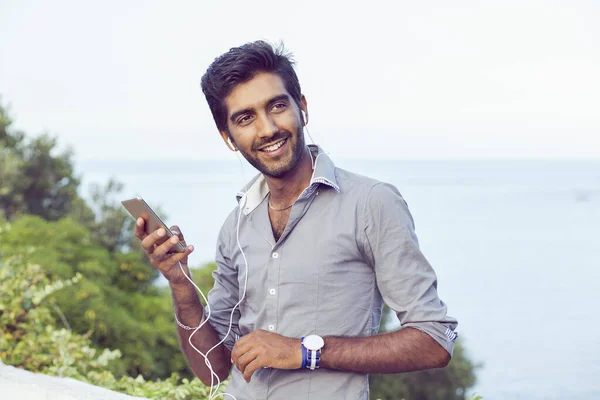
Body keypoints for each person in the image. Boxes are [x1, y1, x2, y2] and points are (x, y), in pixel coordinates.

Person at [134, 40, 458, 400]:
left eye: (276, 106)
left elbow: (434, 341)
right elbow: (213, 370)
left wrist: (305, 351)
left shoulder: (371, 203)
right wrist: (180, 285)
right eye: (245, 118)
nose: (268, 128)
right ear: (228, 138)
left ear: (301, 107)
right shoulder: (236, 226)